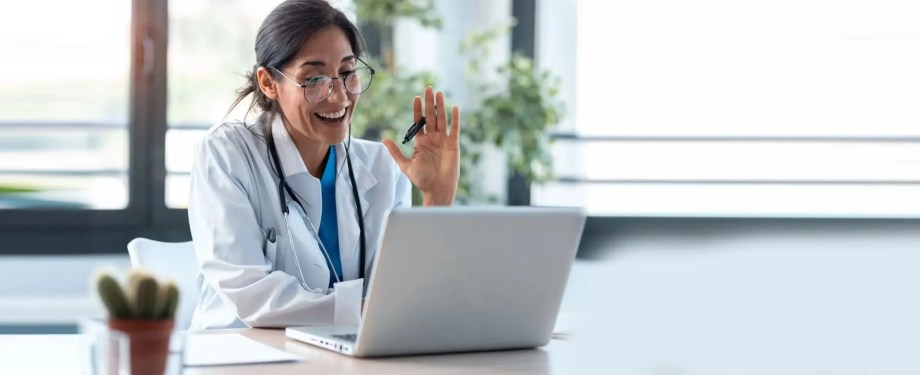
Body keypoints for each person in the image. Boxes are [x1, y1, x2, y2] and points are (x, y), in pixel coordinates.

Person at [187, 0, 461, 330]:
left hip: (343, 357)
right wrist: (367, 311)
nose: (339, 96)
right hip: (241, 354)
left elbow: (406, 295)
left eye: (347, 73)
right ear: (268, 83)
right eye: (314, 78)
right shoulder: (226, 154)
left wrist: (437, 199)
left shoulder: (382, 167)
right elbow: (252, 296)